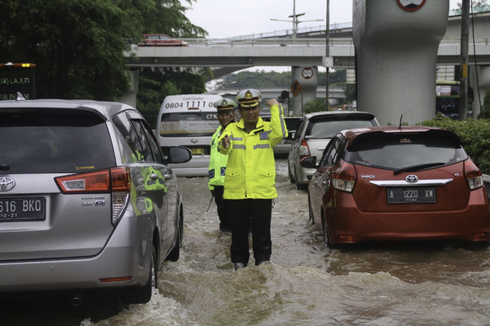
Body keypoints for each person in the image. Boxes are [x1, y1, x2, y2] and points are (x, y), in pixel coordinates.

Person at [218, 89, 288, 270]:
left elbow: (281, 134)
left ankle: (263, 265)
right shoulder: (232, 128)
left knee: (262, 232)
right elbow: (223, 148)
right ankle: (239, 266)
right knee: (238, 234)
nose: (251, 111)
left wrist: (276, 109)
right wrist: (223, 144)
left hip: (262, 190)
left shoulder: (268, 129)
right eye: (246, 108)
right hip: (237, 191)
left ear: (259, 109)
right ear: (240, 111)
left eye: (254, 107)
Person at [208, 98, 236, 232]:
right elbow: (213, 161)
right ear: (217, 116)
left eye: (227, 114)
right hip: (219, 186)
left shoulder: (238, 132)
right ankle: (225, 251)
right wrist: (211, 184)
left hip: (234, 183)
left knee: (239, 223)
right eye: (221, 114)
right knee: (224, 224)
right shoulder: (215, 135)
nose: (224, 117)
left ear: (233, 114)